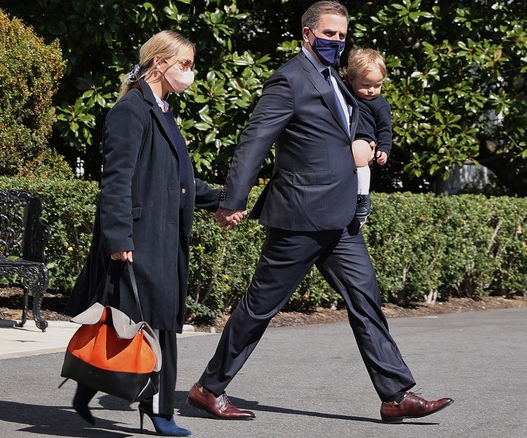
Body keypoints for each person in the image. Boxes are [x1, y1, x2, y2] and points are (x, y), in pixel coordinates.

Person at [186, 1, 454, 424]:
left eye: (342, 35)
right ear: (308, 34)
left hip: (340, 220)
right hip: (299, 217)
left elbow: (348, 131)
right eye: (329, 34)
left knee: (366, 297)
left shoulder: (338, 80)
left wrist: (364, 145)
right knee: (260, 307)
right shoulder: (289, 80)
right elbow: (254, 142)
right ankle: (208, 389)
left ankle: (395, 394)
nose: (337, 41)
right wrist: (233, 200)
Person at [64, 30, 223, 437]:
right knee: (155, 326)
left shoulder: (162, 109)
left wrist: (225, 200)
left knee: (128, 322)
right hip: (139, 237)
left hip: (162, 236)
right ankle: (160, 411)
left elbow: (180, 181)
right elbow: (116, 181)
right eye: (185, 64)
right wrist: (119, 240)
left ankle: (87, 386)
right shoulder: (130, 110)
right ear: (159, 63)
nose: (190, 72)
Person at [344, 47, 393, 226]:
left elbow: (385, 129)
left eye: (377, 85)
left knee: (358, 153)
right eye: (365, 85)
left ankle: (362, 196)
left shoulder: (380, 105)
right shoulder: (344, 92)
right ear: (351, 79)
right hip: (343, 138)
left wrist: (384, 149)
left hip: (362, 138)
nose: (372, 90)